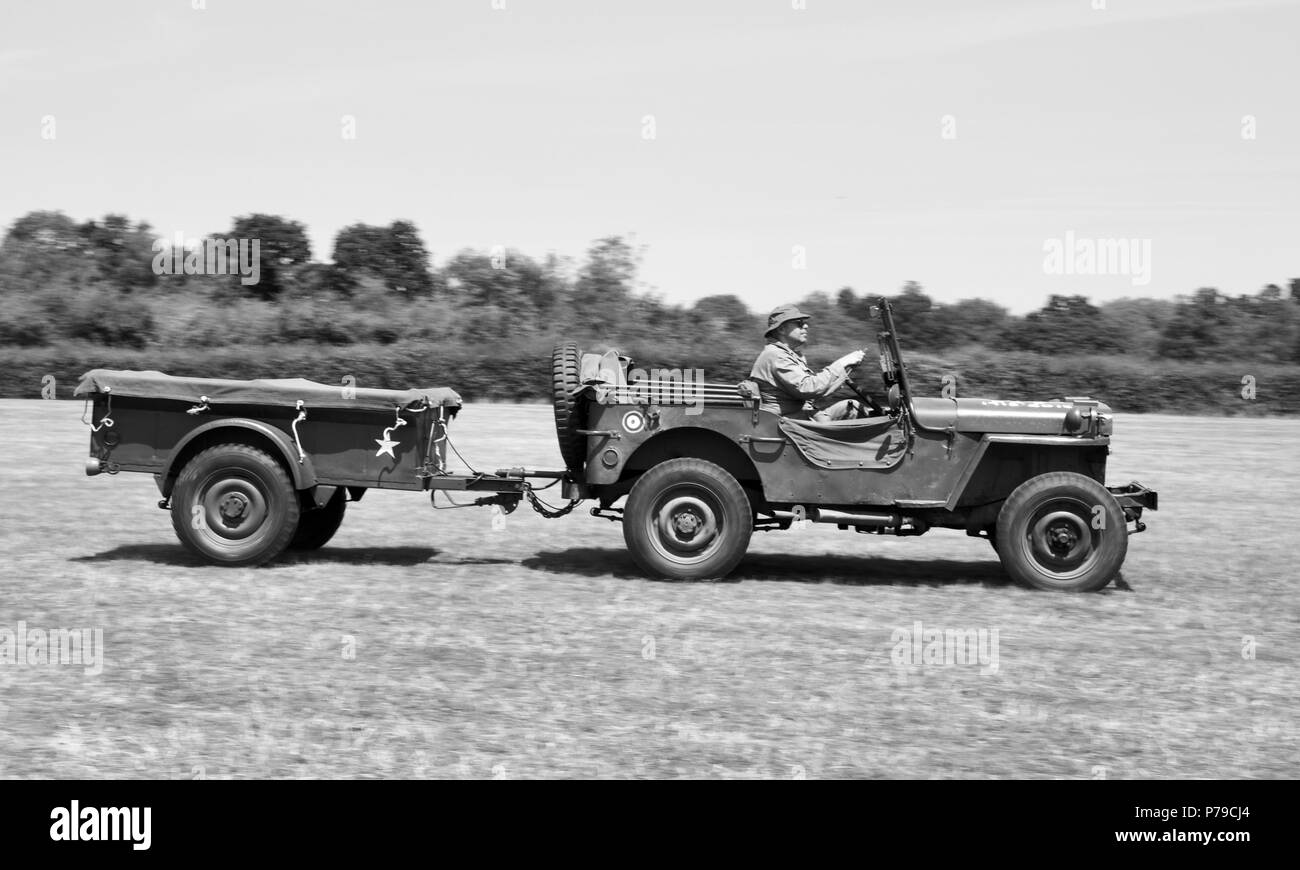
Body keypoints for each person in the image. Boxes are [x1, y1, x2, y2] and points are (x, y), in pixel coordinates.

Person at [749, 304, 869, 420]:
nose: (805, 326)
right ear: (781, 329)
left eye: (805, 323)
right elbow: (808, 388)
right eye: (799, 324)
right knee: (854, 408)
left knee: (853, 408)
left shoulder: (786, 354)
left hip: (796, 419)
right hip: (789, 424)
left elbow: (815, 391)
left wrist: (844, 370)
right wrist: (842, 363)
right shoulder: (776, 355)